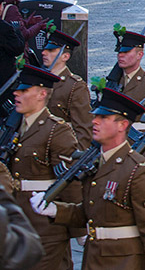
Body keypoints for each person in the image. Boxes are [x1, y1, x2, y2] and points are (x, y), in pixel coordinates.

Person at [29, 88, 145, 269]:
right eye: (96, 116)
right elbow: (90, 213)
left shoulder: (138, 171)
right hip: (94, 258)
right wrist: (57, 210)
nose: (94, 121)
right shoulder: (97, 165)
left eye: (103, 118)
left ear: (122, 125)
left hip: (124, 262)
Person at [11, 65, 81, 270]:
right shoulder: (14, 126)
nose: (16, 93)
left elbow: (71, 183)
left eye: (24, 90)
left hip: (45, 227)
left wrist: (79, 230)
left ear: (42, 94)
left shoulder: (56, 131)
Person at [40, 29, 93, 148]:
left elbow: (84, 128)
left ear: (65, 56)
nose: (44, 53)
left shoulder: (75, 86)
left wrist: (75, 158)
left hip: (59, 148)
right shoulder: (39, 81)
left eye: (51, 50)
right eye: (45, 49)